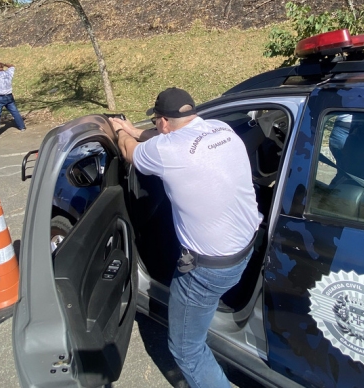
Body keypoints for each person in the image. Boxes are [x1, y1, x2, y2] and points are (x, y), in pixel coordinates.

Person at [110, 88, 261, 388]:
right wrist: (134, 129)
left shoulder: (167, 151)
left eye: (156, 122)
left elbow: (129, 151)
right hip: (246, 247)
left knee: (186, 349)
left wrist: (118, 132)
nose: (156, 127)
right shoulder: (220, 128)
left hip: (207, 270)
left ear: (163, 122)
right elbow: (162, 140)